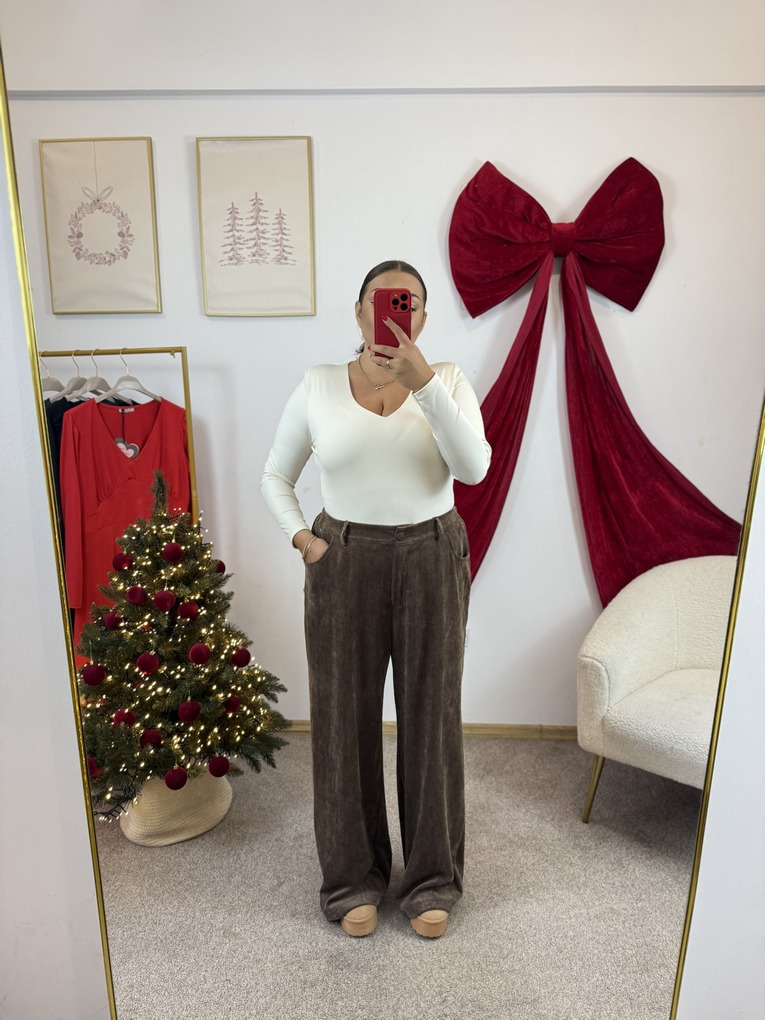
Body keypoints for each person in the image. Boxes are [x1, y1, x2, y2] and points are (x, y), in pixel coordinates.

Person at [261, 260, 490, 939]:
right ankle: (351, 880)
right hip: (344, 559)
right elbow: (276, 474)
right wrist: (303, 539)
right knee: (341, 722)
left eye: (409, 302)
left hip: (431, 554)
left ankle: (430, 882)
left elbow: (473, 468)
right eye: (384, 300)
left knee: (431, 718)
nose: (397, 311)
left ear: (422, 316)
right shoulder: (318, 384)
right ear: (360, 311)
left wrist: (423, 385)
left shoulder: (446, 379)